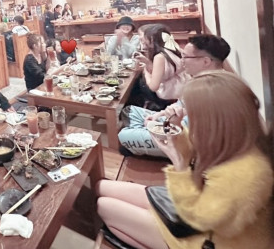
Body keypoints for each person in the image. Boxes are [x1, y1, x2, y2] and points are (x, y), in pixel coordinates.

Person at [97, 72, 273, 249]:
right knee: (101, 187)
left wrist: (180, 168)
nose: (191, 120)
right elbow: (192, 151)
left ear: (214, 120)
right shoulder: (235, 139)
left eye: (194, 115)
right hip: (194, 209)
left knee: (103, 206)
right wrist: (175, 127)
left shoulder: (249, 173)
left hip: (208, 238)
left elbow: (201, 219)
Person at [119, 35, 230, 157]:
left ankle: (149, 144)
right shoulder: (199, 79)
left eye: (185, 57)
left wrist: (160, 128)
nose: (182, 60)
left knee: (123, 136)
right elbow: (181, 105)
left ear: (206, 61)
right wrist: (159, 115)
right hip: (174, 121)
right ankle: (143, 139)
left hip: (182, 139)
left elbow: (188, 134)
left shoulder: (213, 89)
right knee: (129, 111)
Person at [133, 24, 188, 110]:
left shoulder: (160, 57)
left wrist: (145, 71)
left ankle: (150, 108)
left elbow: (153, 87)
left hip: (169, 94)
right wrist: (147, 62)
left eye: (144, 37)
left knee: (138, 83)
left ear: (152, 39)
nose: (142, 40)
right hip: (182, 89)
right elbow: (165, 72)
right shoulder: (174, 49)